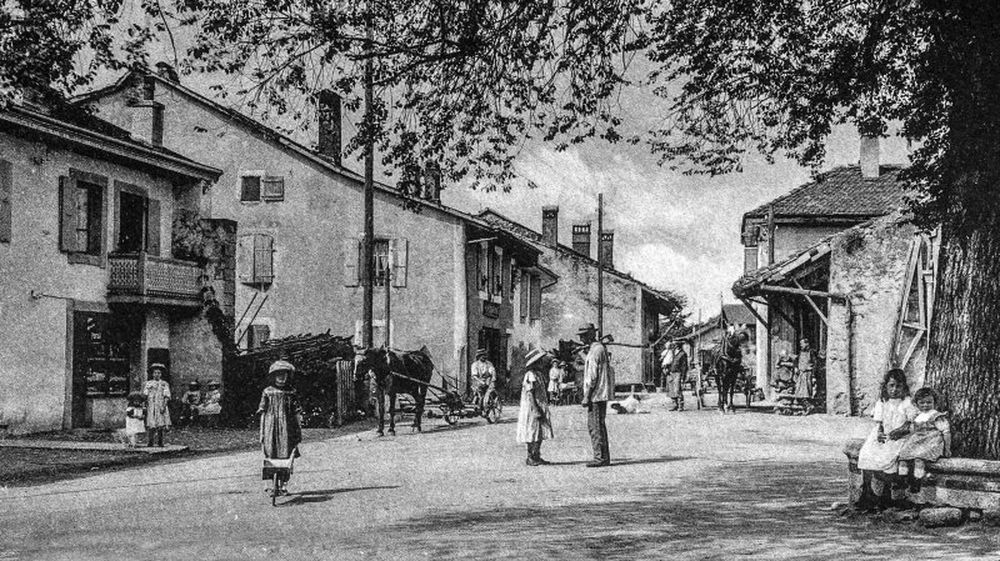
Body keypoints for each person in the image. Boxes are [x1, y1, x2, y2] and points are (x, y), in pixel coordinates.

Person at [857, 368, 918, 509]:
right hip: (883, 435)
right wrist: (879, 432)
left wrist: (900, 430)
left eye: (898, 386)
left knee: (888, 457)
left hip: (899, 437)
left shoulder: (907, 403)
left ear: (904, 387)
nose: (894, 390)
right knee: (866, 453)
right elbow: (879, 423)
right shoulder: (882, 402)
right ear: (886, 387)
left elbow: (910, 424)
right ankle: (867, 491)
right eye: (891, 386)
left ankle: (886, 494)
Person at [257, 360, 303, 495]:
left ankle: (283, 486)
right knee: (270, 454)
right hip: (270, 426)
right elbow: (263, 412)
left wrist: (299, 429)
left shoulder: (291, 392)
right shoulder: (267, 392)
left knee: (286, 455)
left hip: (288, 427)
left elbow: (296, 413)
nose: (282, 378)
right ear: (273, 376)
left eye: (285, 375)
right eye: (279, 375)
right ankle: (272, 486)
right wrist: (262, 432)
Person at [898, 387, 952, 490]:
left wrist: (947, 449)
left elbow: (946, 432)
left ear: (934, 403)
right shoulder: (917, 416)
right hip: (917, 441)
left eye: (929, 402)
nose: (925, 405)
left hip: (931, 441)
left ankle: (917, 481)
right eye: (922, 403)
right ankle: (902, 479)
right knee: (903, 457)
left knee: (919, 458)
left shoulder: (936, 416)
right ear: (917, 404)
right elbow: (912, 431)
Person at [579, 322, 613, 467]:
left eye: (584, 336)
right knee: (599, 425)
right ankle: (603, 457)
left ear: (590, 335)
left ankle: (600, 458)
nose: (582, 340)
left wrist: (587, 396)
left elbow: (592, 377)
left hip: (596, 394)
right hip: (600, 393)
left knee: (595, 426)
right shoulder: (599, 349)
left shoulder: (595, 351)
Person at [517, 349, 554, 466]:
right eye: (540, 361)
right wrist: (536, 408)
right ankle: (530, 456)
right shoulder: (530, 375)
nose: (543, 362)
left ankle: (537, 455)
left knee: (539, 431)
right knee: (531, 430)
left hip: (540, 404)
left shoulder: (539, 374)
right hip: (532, 406)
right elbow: (530, 393)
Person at [143, 363, 171, 447]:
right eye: (155, 373)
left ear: (161, 374)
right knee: (151, 424)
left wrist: (164, 405)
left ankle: (160, 441)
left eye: (159, 373)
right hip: (151, 405)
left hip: (160, 405)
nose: (157, 374)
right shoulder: (148, 383)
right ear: (152, 374)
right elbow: (145, 395)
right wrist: (144, 404)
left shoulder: (164, 384)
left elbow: (167, 396)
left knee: (160, 424)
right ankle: (150, 441)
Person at [666, 340, 689, 411]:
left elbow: (684, 366)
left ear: (679, 345)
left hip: (678, 373)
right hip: (671, 372)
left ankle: (680, 405)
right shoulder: (672, 352)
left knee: (677, 389)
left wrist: (683, 377)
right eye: (674, 344)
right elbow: (669, 361)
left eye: (675, 344)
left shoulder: (683, 354)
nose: (674, 346)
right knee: (671, 389)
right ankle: (674, 404)